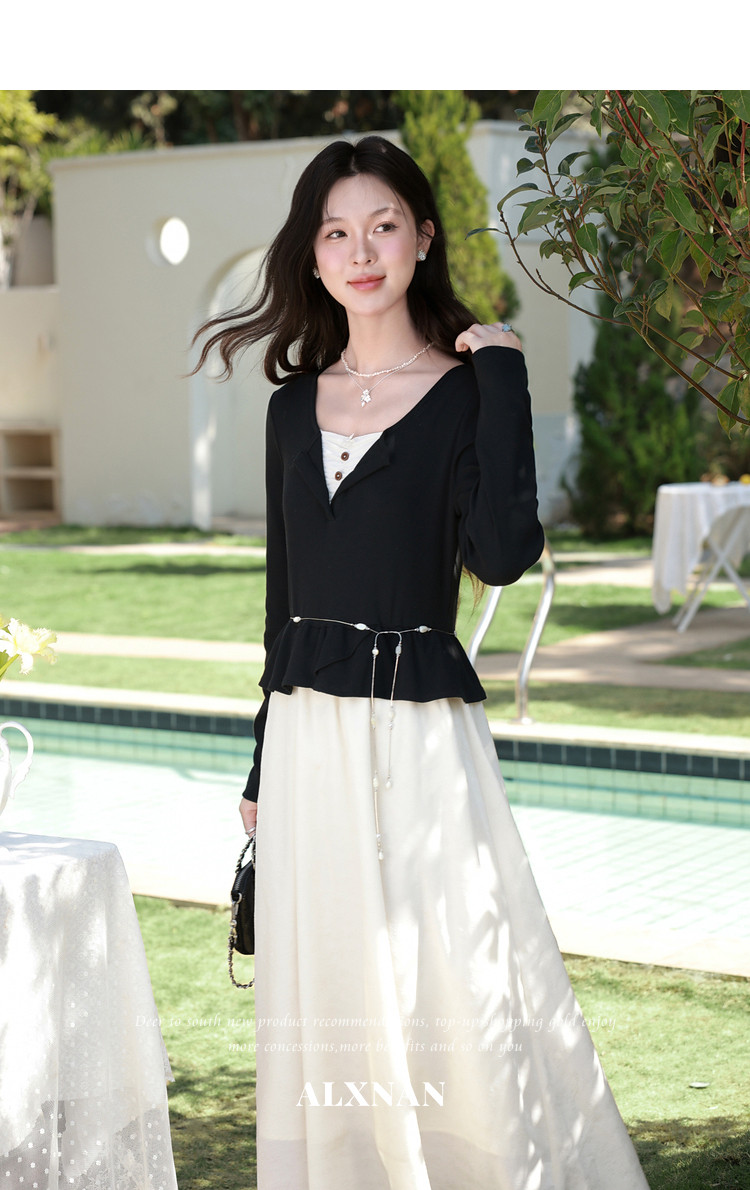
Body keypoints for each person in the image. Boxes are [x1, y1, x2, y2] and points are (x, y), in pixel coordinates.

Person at [195, 135, 649, 1190]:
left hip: (419, 736)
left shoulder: (467, 390)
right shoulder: (288, 408)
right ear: (313, 256)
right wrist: (263, 764)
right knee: (330, 978)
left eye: (383, 226)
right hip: (307, 740)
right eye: (336, 232)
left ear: (424, 237)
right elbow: (281, 608)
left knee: (447, 970)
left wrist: (504, 375)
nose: (361, 252)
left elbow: (502, 553)